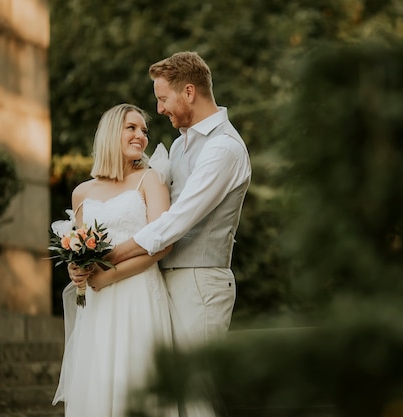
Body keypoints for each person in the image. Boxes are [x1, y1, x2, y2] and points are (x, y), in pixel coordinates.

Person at [85, 51, 251, 417]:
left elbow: (177, 220)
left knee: (195, 393)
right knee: (170, 396)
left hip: (200, 284)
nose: (159, 110)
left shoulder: (224, 148)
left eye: (163, 98)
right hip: (159, 285)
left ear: (189, 92)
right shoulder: (180, 144)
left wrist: (109, 257)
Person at [52, 103, 177, 417]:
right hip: (97, 307)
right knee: (100, 381)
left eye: (144, 130)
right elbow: (81, 253)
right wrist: (75, 269)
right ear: (111, 134)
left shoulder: (150, 180)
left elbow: (162, 246)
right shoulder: (82, 192)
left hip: (139, 295)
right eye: (131, 128)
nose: (140, 136)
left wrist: (109, 276)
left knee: (136, 379)